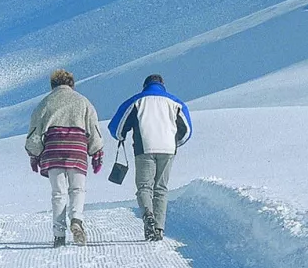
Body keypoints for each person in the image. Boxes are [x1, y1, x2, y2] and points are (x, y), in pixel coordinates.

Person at [25, 68, 105, 246]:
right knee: (77, 190)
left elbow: (35, 130)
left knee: (58, 193)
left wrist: (34, 153)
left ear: (52, 85)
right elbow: (93, 128)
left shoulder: (45, 103)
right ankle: (76, 219)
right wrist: (96, 152)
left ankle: (59, 234)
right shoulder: (83, 101)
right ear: (72, 84)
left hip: (53, 150)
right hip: (77, 148)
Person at [108, 73, 191, 241]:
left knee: (145, 187)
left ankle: (148, 216)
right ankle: (159, 228)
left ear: (145, 86)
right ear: (162, 85)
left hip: (144, 147)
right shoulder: (175, 103)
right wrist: (175, 143)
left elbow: (116, 127)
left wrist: (121, 136)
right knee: (161, 188)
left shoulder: (137, 101)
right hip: (168, 149)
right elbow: (187, 130)